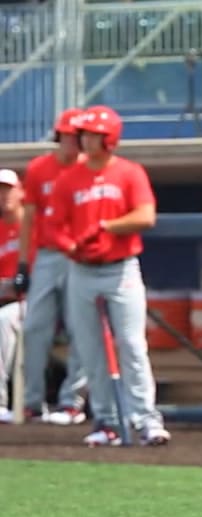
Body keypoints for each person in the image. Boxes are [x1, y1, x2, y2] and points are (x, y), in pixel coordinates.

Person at [50, 105, 171, 447]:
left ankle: (146, 419)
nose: (86, 141)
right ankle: (107, 421)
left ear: (110, 139)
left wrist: (105, 226)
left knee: (132, 346)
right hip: (82, 271)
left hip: (120, 268)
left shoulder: (129, 173)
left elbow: (146, 216)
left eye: (92, 135)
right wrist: (70, 245)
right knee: (90, 351)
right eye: (83, 135)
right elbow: (53, 225)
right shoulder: (68, 179)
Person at [13, 107, 90, 425]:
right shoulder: (39, 168)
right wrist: (22, 262)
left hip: (80, 255)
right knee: (33, 328)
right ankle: (32, 402)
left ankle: (72, 402)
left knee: (80, 330)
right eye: (68, 135)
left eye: (77, 136)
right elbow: (28, 217)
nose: (72, 141)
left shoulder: (89, 169)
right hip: (46, 254)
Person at [0, 169, 26, 423]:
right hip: (7, 301)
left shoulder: (32, 225)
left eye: (8, 189)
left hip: (35, 300)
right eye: (0, 191)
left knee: (3, 321)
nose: (3, 196)